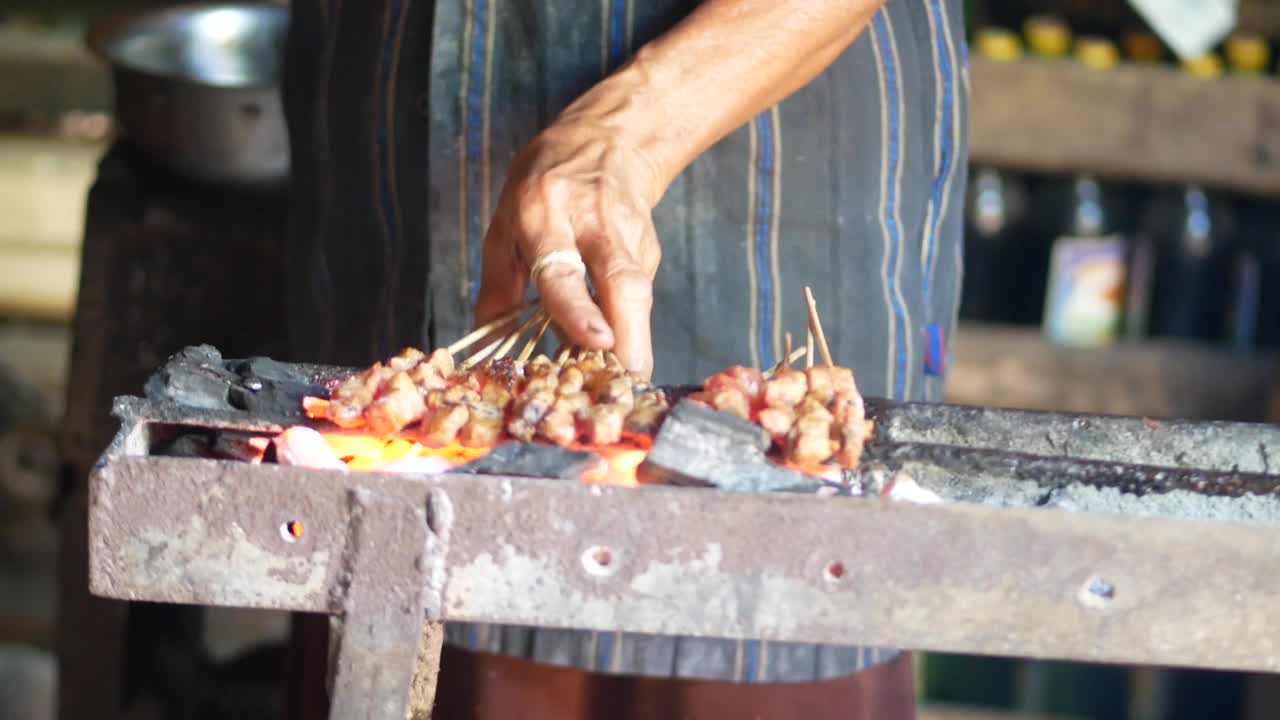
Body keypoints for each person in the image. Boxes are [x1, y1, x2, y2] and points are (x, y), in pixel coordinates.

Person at [283, 1, 968, 718]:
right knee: (379, 591)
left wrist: (629, 132)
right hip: (391, 169)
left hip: (761, 172)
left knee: (747, 592)